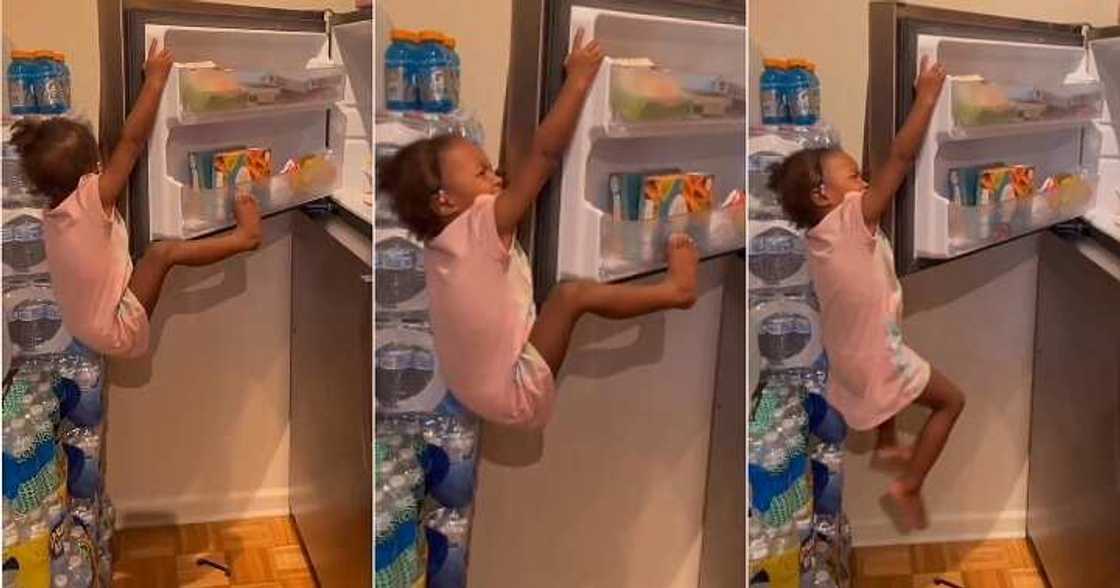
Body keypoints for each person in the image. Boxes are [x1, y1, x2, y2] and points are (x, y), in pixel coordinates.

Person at [380, 30, 699, 429]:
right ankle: (676, 291)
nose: (497, 179)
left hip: (468, 389)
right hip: (515, 393)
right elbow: (544, 154)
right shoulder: (482, 221)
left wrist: (494, 182)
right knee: (570, 297)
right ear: (444, 201)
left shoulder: (438, 242)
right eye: (482, 174)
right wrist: (578, 79)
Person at [767, 57, 962, 530]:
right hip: (876, 355)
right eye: (855, 177)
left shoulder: (818, 238)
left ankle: (887, 442)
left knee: (884, 372)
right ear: (823, 195)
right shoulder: (853, 219)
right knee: (951, 401)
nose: (866, 184)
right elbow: (900, 157)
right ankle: (909, 483)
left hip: (847, 356)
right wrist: (926, 98)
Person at [11, 40, 262, 358]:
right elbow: (131, 142)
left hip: (83, 326)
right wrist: (155, 80)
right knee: (161, 254)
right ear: (91, 169)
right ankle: (244, 238)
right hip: (117, 329)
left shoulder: (53, 215)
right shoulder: (92, 197)